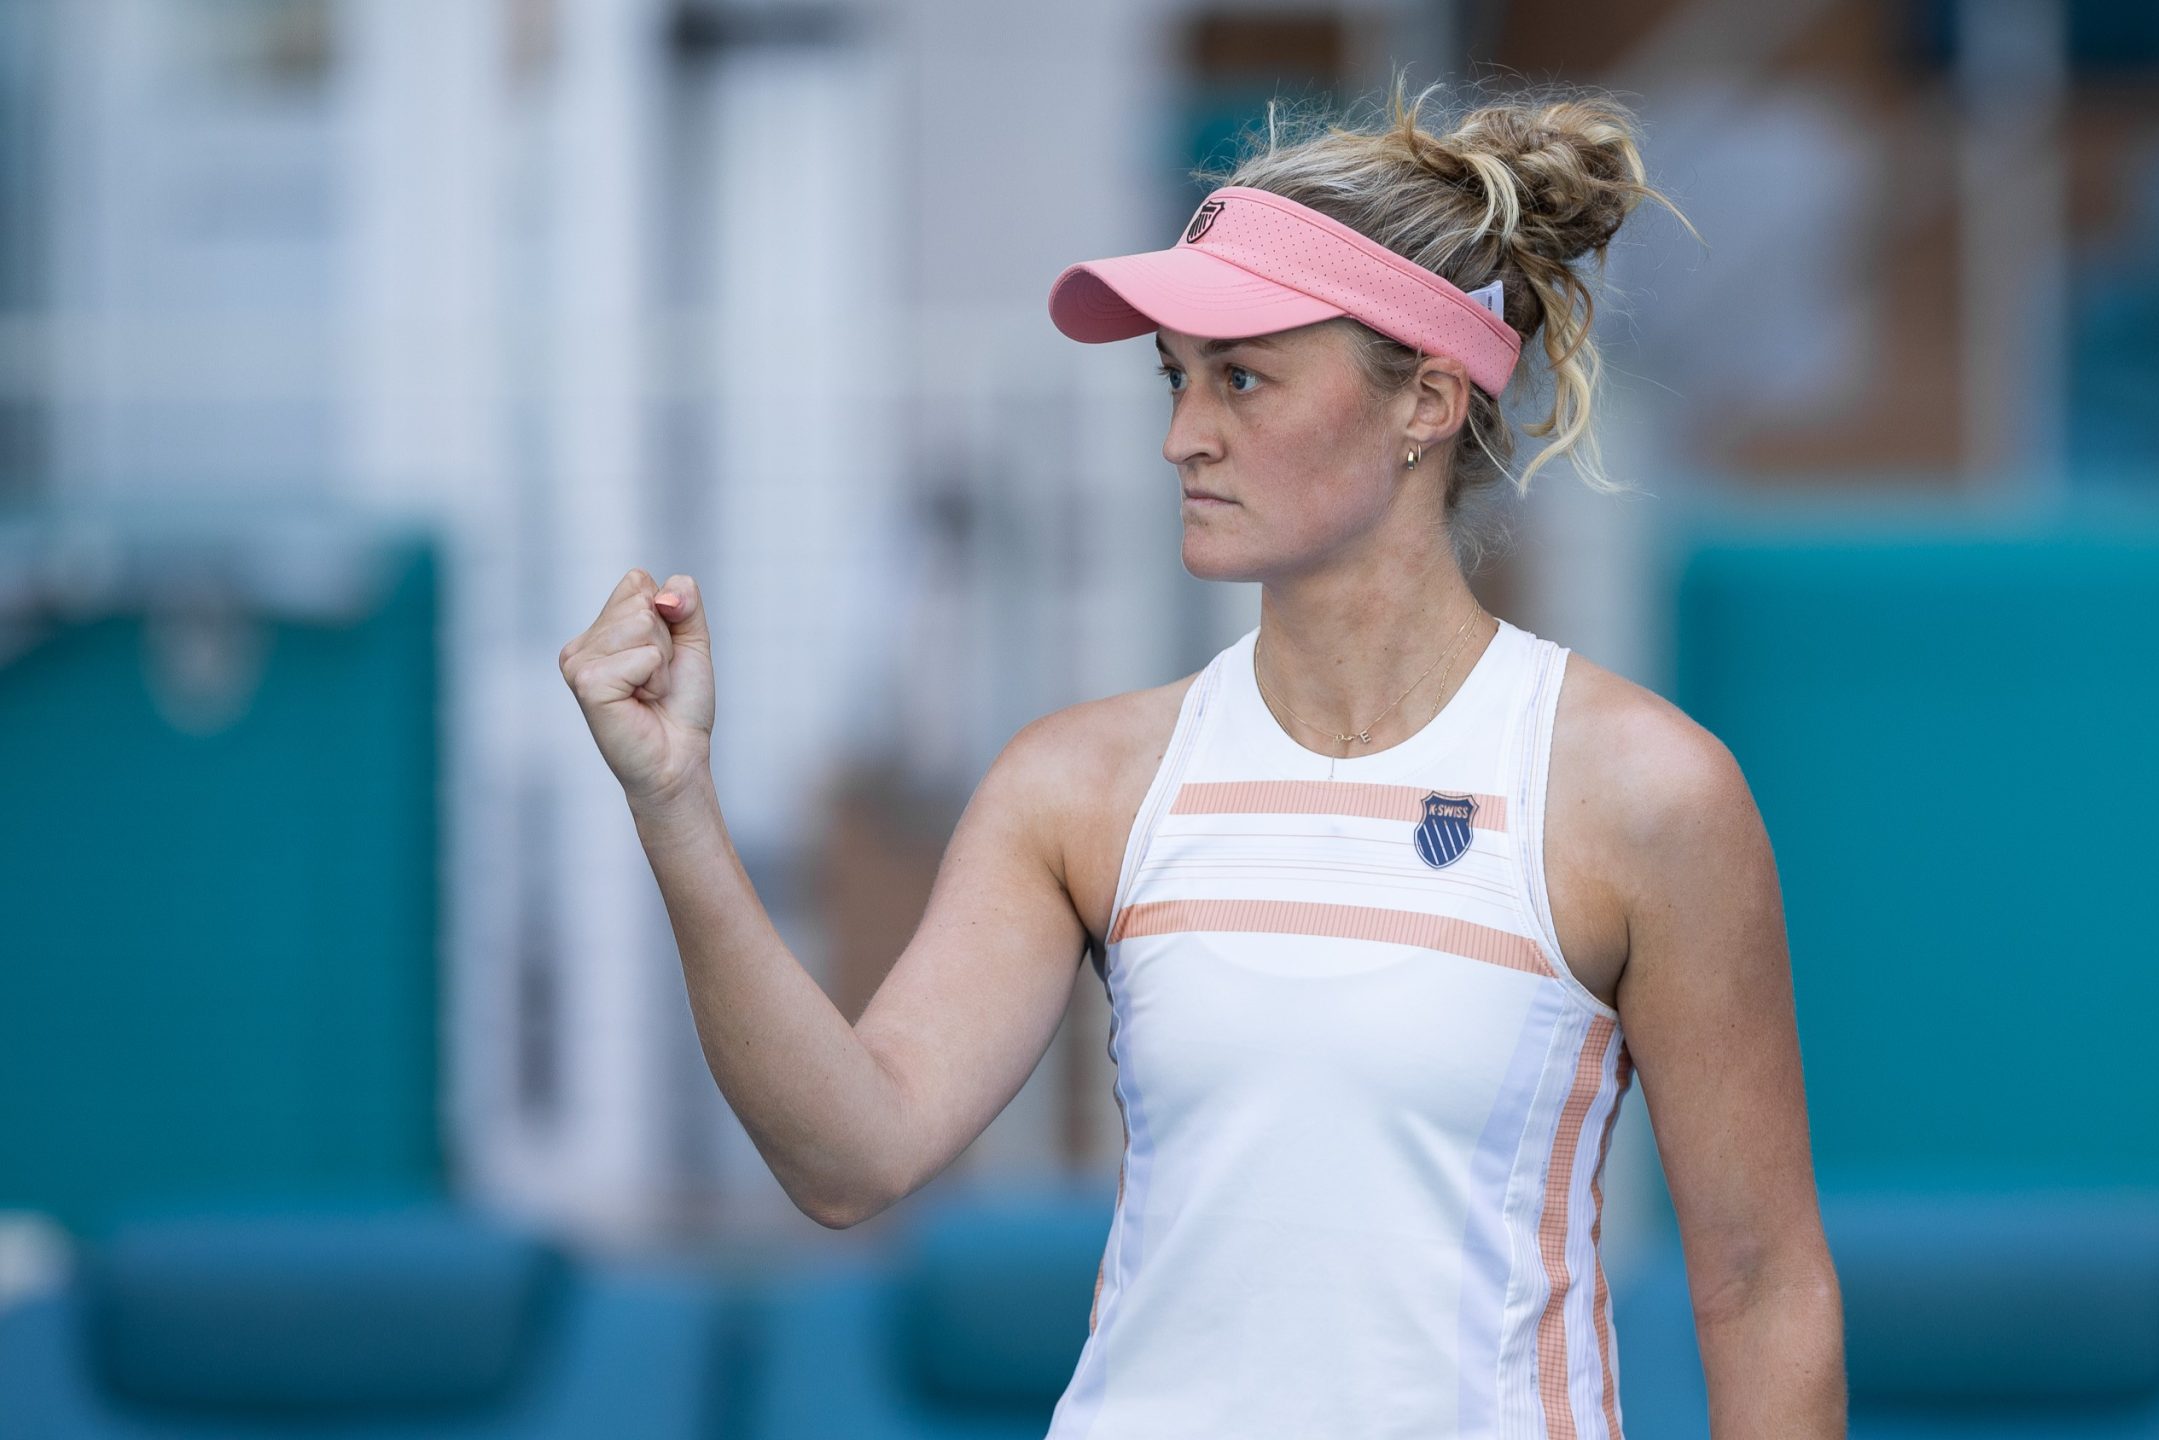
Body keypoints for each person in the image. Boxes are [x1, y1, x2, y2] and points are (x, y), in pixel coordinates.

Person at [560, 74, 1842, 1440]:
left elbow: (1764, 1292)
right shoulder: (1078, 784)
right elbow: (849, 1156)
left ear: (1422, 396)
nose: (1184, 435)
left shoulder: (1646, 793)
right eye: (1175, 380)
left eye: (1242, 377)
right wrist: (673, 801)